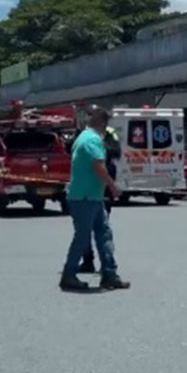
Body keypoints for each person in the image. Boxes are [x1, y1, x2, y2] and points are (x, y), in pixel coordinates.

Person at [60, 106, 129, 292]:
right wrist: (113, 187)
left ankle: (109, 274)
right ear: (104, 123)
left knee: (104, 233)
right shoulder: (92, 140)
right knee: (83, 237)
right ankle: (69, 274)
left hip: (92, 196)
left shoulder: (83, 137)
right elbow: (99, 166)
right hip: (85, 196)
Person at [77, 125, 121, 274]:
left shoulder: (109, 131)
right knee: (85, 229)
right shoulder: (83, 132)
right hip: (86, 184)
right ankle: (88, 260)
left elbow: (117, 151)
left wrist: (99, 149)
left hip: (104, 181)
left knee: (102, 229)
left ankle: (107, 264)